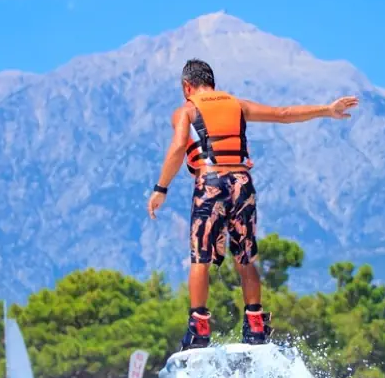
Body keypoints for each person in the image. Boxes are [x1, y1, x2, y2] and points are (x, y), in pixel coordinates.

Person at [147, 58, 358, 350]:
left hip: (210, 183)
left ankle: (199, 329)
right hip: (242, 183)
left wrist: (161, 189)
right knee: (245, 256)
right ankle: (256, 324)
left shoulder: (187, 110)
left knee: (200, 256)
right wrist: (327, 109)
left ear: (187, 86)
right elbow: (283, 114)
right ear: (212, 83)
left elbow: (178, 147)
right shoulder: (237, 105)